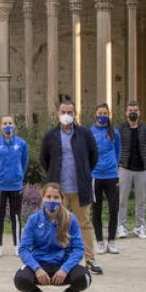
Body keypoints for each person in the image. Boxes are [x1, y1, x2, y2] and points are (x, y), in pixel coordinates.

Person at [39, 101, 101, 275]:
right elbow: (44, 159)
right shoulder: (50, 135)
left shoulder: (85, 134)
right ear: (58, 113)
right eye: (63, 111)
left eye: (70, 112)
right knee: (58, 224)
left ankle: (89, 259)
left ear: (75, 114)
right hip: (59, 191)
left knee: (84, 224)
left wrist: (85, 172)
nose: (67, 115)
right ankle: (59, 258)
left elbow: (93, 156)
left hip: (80, 187)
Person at [14, 183, 91, 292]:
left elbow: (78, 249)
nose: (52, 200)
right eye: (48, 196)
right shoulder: (33, 220)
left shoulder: (71, 219)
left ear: (62, 199)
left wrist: (65, 269)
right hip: (40, 265)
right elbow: (23, 249)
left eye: (56, 197)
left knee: (85, 278)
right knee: (20, 279)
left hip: (62, 267)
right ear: (42, 198)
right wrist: (37, 268)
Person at [0, 115, 28, 258]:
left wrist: (18, 175)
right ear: (1, 126)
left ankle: (17, 245)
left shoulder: (22, 144)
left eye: (10, 123)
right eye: (5, 123)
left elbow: (24, 162)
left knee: (16, 216)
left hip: (16, 186)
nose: (7, 125)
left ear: (14, 125)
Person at [116, 100, 146, 239]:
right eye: (130, 110)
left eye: (135, 110)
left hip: (142, 168)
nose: (133, 113)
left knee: (141, 200)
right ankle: (121, 226)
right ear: (126, 113)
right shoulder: (120, 129)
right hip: (125, 167)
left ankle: (140, 227)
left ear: (139, 112)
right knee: (122, 199)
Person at [89, 104, 121, 255]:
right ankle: (100, 241)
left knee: (114, 208)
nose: (102, 115)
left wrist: (114, 165)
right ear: (95, 115)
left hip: (111, 175)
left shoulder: (114, 132)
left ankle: (112, 241)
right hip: (96, 175)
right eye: (100, 113)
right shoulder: (90, 132)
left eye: (105, 113)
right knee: (97, 210)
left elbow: (118, 151)